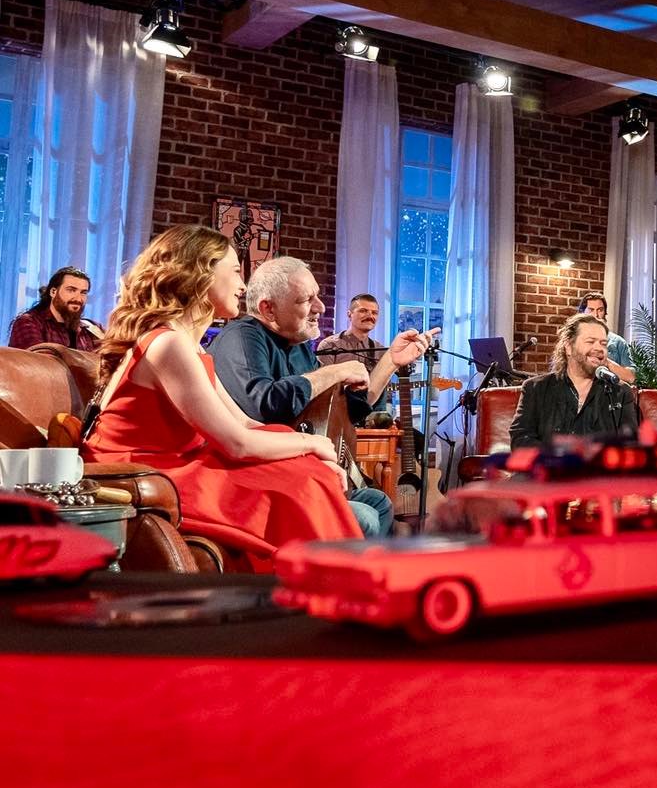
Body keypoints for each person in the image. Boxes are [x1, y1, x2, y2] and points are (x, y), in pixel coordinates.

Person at [82, 226, 360, 569]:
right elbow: (236, 443)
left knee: (305, 471)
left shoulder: (188, 345)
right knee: (303, 483)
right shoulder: (167, 344)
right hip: (143, 471)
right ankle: (324, 582)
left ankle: (325, 579)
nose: (243, 285)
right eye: (236, 271)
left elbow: (244, 423)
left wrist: (308, 454)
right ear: (200, 275)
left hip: (175, 464)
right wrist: (312, 444)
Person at [208, 256, 434, 536]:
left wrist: (390, 361)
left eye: (317, 296)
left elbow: (350, 408)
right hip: (262, 481)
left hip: (303, 473)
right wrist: (336, 371)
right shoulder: (242, 337)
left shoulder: (299, 347)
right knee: (363, 517)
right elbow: (263, 404)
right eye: (307, 299)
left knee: (379, 502)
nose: (320, 307)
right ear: (268, 308)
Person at [510, 313, 638, 447]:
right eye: (590, 341)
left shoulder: (620, 392)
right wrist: (557, 456)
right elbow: (520, 439)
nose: (599, 348)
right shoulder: (536, 389)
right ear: (569, 347)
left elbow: (629, 444)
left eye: (603, 344)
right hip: (549, 460)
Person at [7, 266, 104, 351]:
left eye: (83, 292)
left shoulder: (92, 328)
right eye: (71, 290)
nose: (78, 299)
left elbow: (109, 361)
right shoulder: (29, 323)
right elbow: (37, 362)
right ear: (53, 292)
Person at [576, 292, 636, 384]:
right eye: (591, 310)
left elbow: (630, 377)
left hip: (608, 391)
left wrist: (606, 362)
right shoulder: (573, 341)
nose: (596, 315)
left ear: (605, 313)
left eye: (600, 310)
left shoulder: (617, 342)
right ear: (582, 312)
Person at [316, 293, 384, 373]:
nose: (370, 316)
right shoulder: (330, 345)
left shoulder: (380, 350)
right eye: (363, 311)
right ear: (349, 314)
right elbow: (324, 379)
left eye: (374, 313)